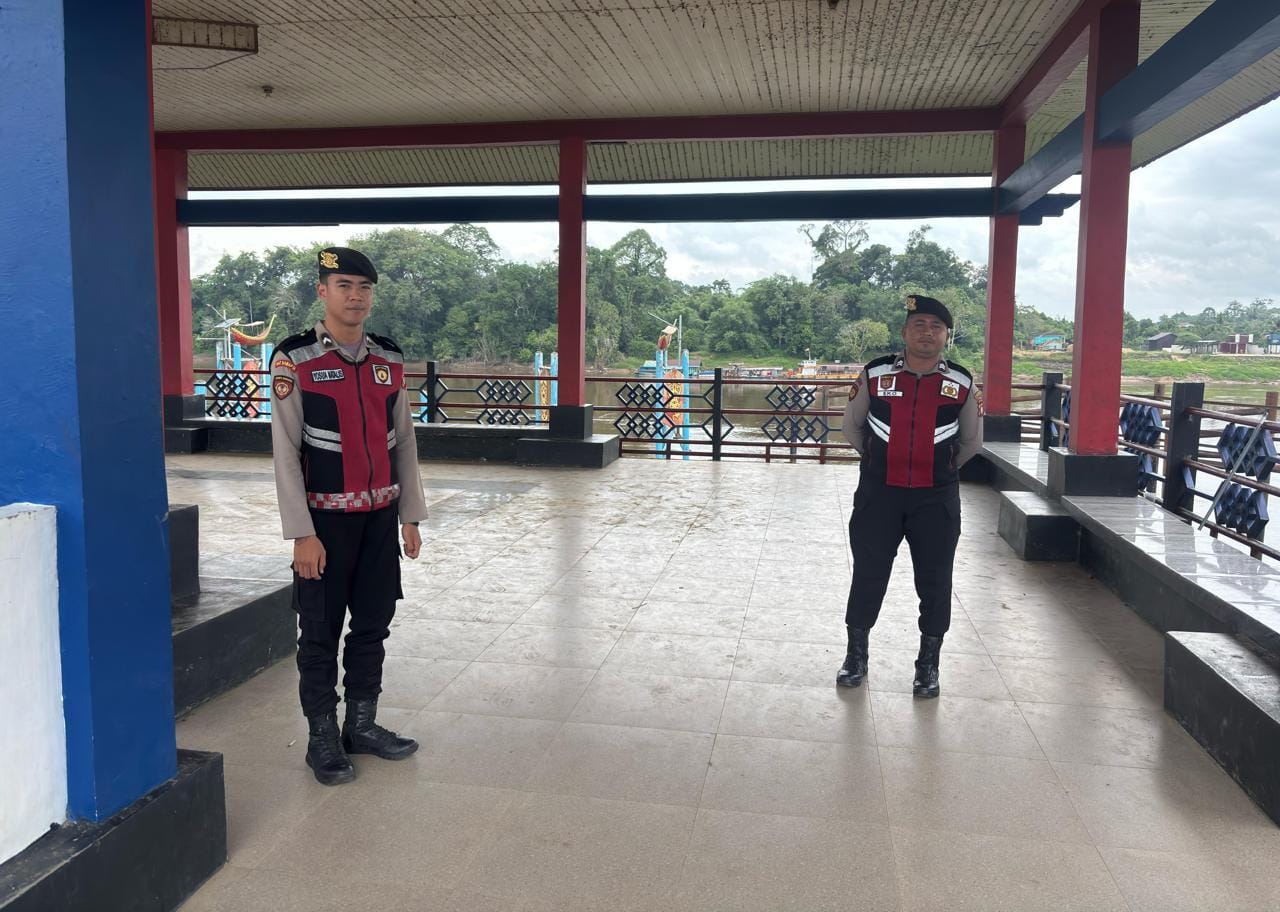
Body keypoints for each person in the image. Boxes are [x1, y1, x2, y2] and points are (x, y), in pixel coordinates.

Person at [271, 246, 429, 785]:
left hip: (380, 519)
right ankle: (322, 738)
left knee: (372, 626)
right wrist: (301, 534)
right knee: (318, 633)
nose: (355, 296)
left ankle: (361, 726)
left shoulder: (388, 359)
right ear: (323, 291)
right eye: (344, 286)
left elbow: (403, 440)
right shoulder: (295, 360)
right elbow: (285, 452)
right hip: (324, 525)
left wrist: (410, 515)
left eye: (364, 287)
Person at [838, 294, 982, 697]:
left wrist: (941, 468)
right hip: (879, 495)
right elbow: (851, 427)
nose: (927, 333)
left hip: (935, 500)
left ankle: (928, 665)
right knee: (868, 575)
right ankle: (856, 656)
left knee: (935, 581)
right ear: (904, 332)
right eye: (919, 325)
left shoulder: (961, 382)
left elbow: (971, 442)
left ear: (946, 336)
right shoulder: (875, 373)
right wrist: (878, 459)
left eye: (937, 327)